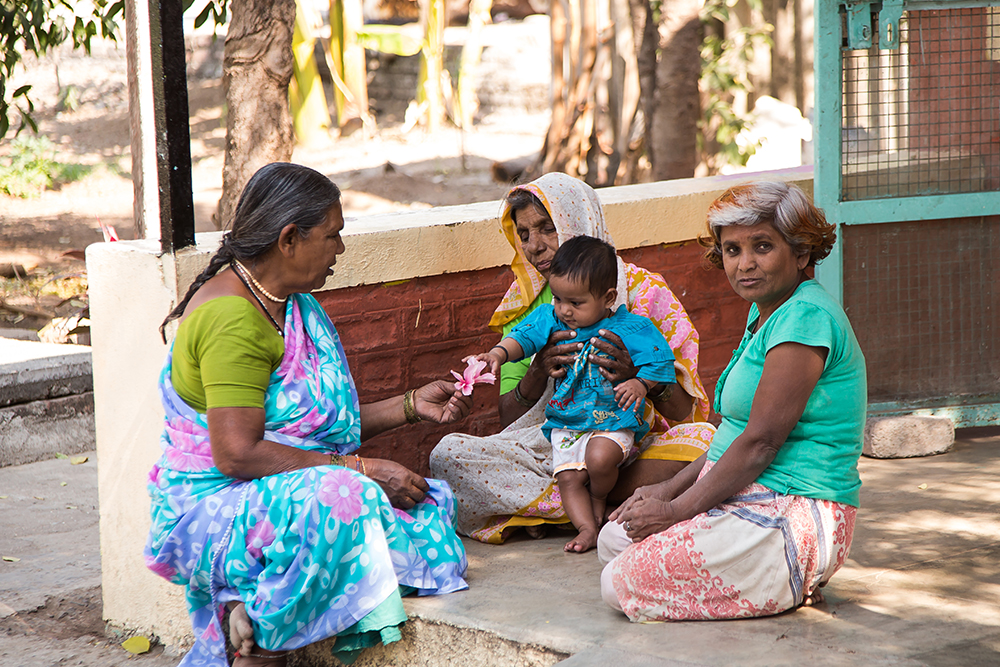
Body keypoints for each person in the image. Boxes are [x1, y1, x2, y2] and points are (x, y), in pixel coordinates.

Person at [144, 163, 473, 667]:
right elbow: (237, 455)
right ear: (289, 239)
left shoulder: (289, 303)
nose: (340, 249)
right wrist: (363, 470)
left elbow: (316, 430)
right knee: (349, 497)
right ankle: (261, 643)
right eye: (333, 235)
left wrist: (410, 406)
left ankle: (246, 608)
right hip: (214, 507)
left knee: (429, 512)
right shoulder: (231, 319)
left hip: (279, 491)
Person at [598, 181, 867, 621]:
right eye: (732, 250)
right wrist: (665, 490)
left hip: (794, 508)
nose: (745, 264)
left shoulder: (805, 318)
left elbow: (760, 443)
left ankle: (790, 573)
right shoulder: (767, 311)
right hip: (751, 491)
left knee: (617, 583)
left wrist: (673, 512)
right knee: (613, 539)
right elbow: (733, 433)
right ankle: (774, 580)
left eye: (762, 246)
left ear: (800, 253)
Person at [429, 172, 716, 545]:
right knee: (447, 455)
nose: (535, 246)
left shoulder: (647, 296)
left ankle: (565, 507)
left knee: (704, 442)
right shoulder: (531, 310)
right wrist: (538, 370)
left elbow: (682, 414)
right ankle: (603, 504)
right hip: (555, 444)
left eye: (547, 228)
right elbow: (508, 421)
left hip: (630, 441)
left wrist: (638, 377)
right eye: (525, 233)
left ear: (578, 219)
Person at [469, 235, 677, 552]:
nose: (564, 310)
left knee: (599, 459)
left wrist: (641, 383)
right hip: (567, 421)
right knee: (567, 478)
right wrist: (497, 354)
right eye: (557, 299)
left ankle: (598, 497)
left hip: (612, 419)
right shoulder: (551, 319)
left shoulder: (631, 327)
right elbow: (522, 337)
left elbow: (659, 358)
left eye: (575, 303)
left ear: (608, 297)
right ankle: (586, 528)